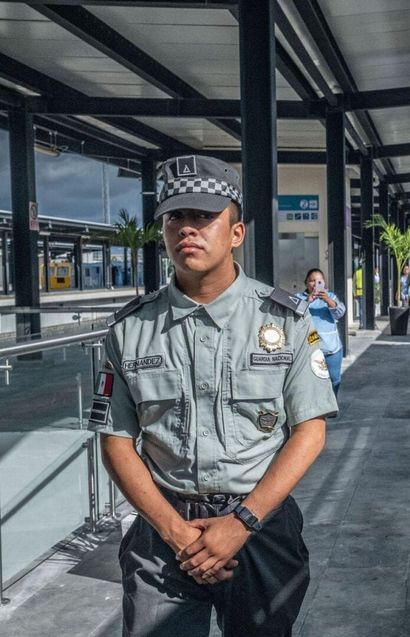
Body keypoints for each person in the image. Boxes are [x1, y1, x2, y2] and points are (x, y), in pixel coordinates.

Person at [89, 155, 338, 636]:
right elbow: (116, 441)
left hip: (259, 523)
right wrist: (175, 533)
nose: (187, 229)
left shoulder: (284, 321)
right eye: (175, 217)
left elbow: (310, 429)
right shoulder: (130, 330)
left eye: (204, 216)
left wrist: (241, 522)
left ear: (237, 232)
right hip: (164, 530)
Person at [297, 268, 347, 395]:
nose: (315, 284)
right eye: (312, 281)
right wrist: (308, 301)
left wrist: (327, 300)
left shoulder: (331, 296)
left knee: (334, 380)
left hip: (331, 349)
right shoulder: (299, 298)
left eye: (319, 281)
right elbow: (294, 315)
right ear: (306, 283)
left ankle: (331, 408)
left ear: (323, 283)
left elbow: (340, 313)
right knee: (310, 381)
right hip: (309, 349)